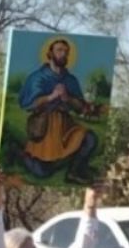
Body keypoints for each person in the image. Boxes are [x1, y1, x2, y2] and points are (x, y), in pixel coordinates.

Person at [18, 39, 99, 184]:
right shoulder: (37, 77)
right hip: (45, 126)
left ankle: (74, 172)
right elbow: (28, 104)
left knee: (90, 138)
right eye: (59, 50)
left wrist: (68, 98)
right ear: (50, 53)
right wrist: (51, 96)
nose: (63, 54)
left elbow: (80, 107)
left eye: (66, 51)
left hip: (66, 126)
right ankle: (21, 154)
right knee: (43, 172)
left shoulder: (70, 80)